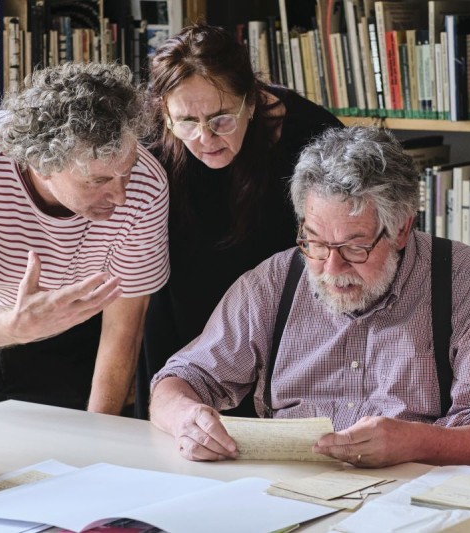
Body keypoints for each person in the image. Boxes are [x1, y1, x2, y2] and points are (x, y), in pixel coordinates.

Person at [149, 127, 470, 469]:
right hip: (287, 491)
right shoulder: (273, 283)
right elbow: (180, 378)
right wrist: (186, 416)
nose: (331, 268)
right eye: (315, 243)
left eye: (355, 248)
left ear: (401, 229)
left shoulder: (467, 284)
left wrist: (414, 443)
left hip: (414, 496)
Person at [0, 62, 169, 415]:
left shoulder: (147, 187)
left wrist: (98, 437)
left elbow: (123, 329)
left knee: (65, 453)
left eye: (127, 170)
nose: (121, 196)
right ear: (42, 165)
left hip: (58, 324)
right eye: (98, 181)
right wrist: (13, 325)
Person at [137, 24, 342, 418]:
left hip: (285, 328)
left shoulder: (311, 137)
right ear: (165, 111)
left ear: (251, 102)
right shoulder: (150, 146)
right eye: (186, 122)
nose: (204, 138)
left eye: (221, 119)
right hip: (178, 324)